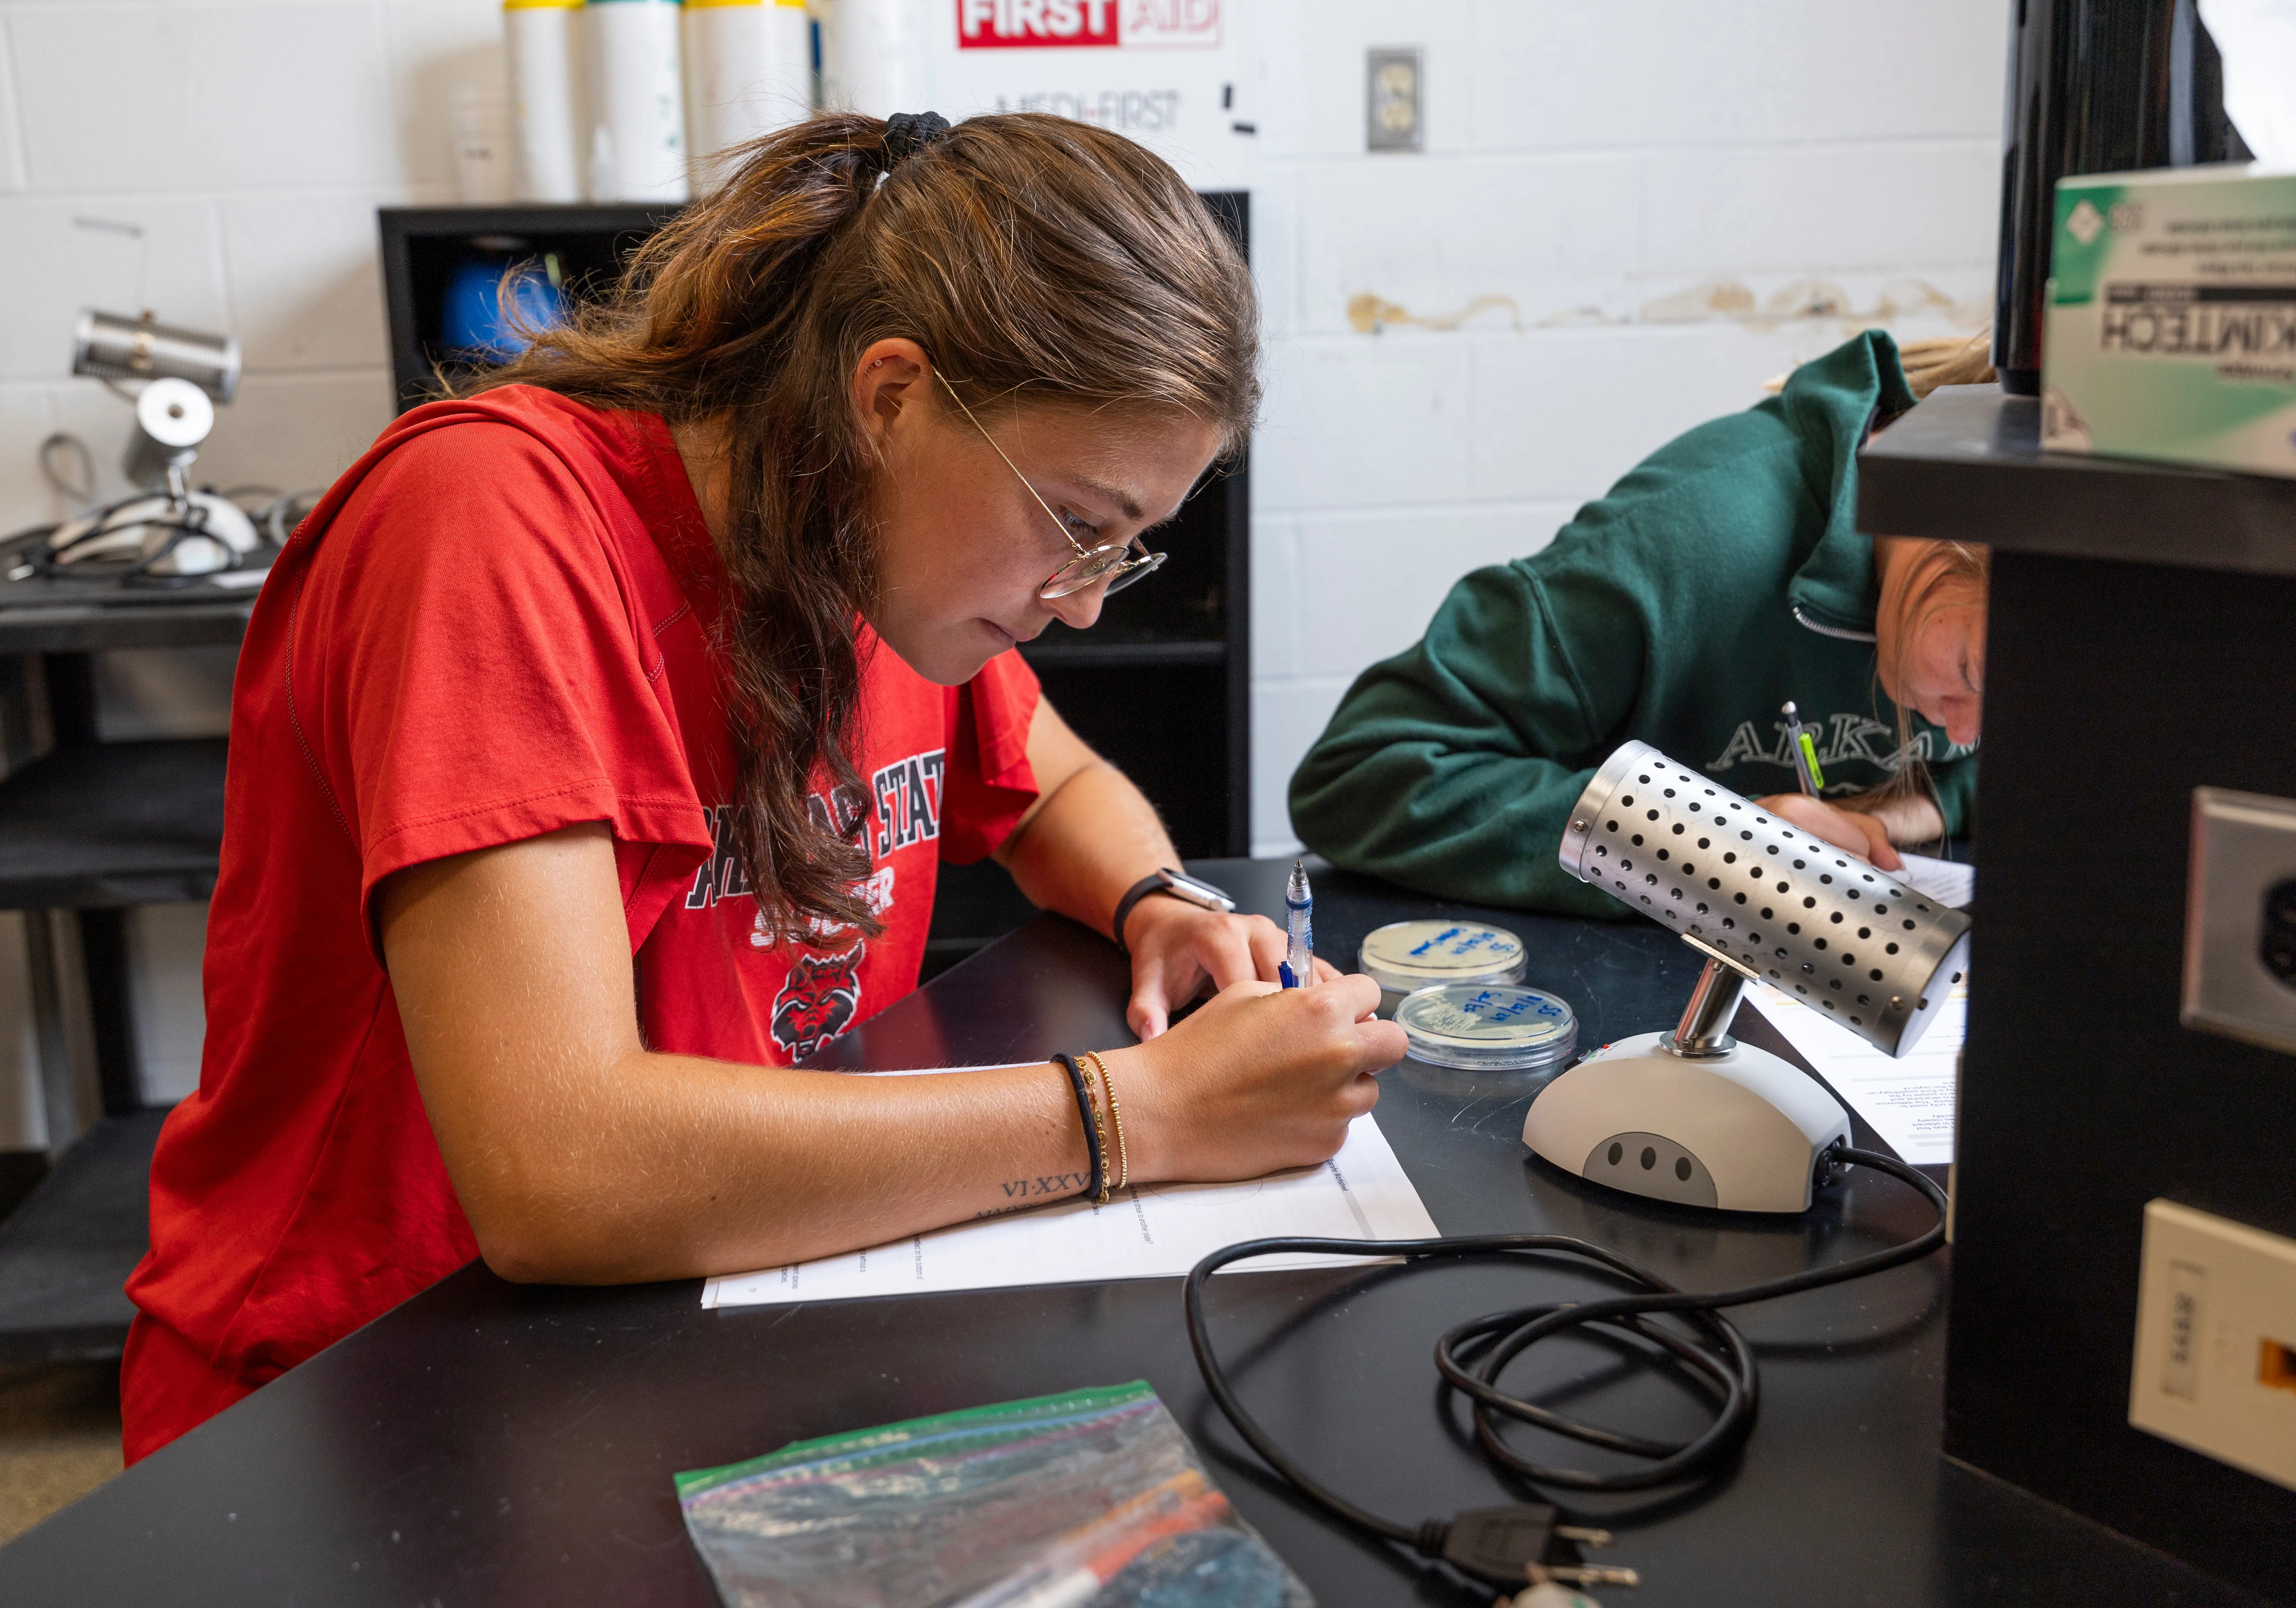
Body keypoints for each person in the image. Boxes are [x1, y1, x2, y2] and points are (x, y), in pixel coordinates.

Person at [119, 112, 1406, 1462]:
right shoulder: (490, 527)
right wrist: (1144, 1116)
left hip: (689, 1318)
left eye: (1126, 551)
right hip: (373, 1398)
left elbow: (1048, 782)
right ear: (893, 392)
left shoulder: (872, 554)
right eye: (1077, 526)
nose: (1083, 607)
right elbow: (558, 1171)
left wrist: (1159, 897)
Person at [1288, 329, 1993, 917]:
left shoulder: (1989, 633)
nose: (1961, 731)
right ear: (1948, 527)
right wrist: (1719, 847)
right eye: (1967, 673)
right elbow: (1360, 776)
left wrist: (1897, 815)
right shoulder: (1694, 543)